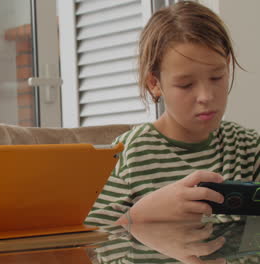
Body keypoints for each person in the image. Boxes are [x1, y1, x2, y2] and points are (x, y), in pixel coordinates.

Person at [86, 1, 259, 226]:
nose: (206, 96)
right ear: (154, 83)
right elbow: (92, 247)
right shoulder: (129, 155)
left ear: (227, 66)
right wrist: (137, 216)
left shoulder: (248, 149)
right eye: (186, 85)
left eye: (217, 78)